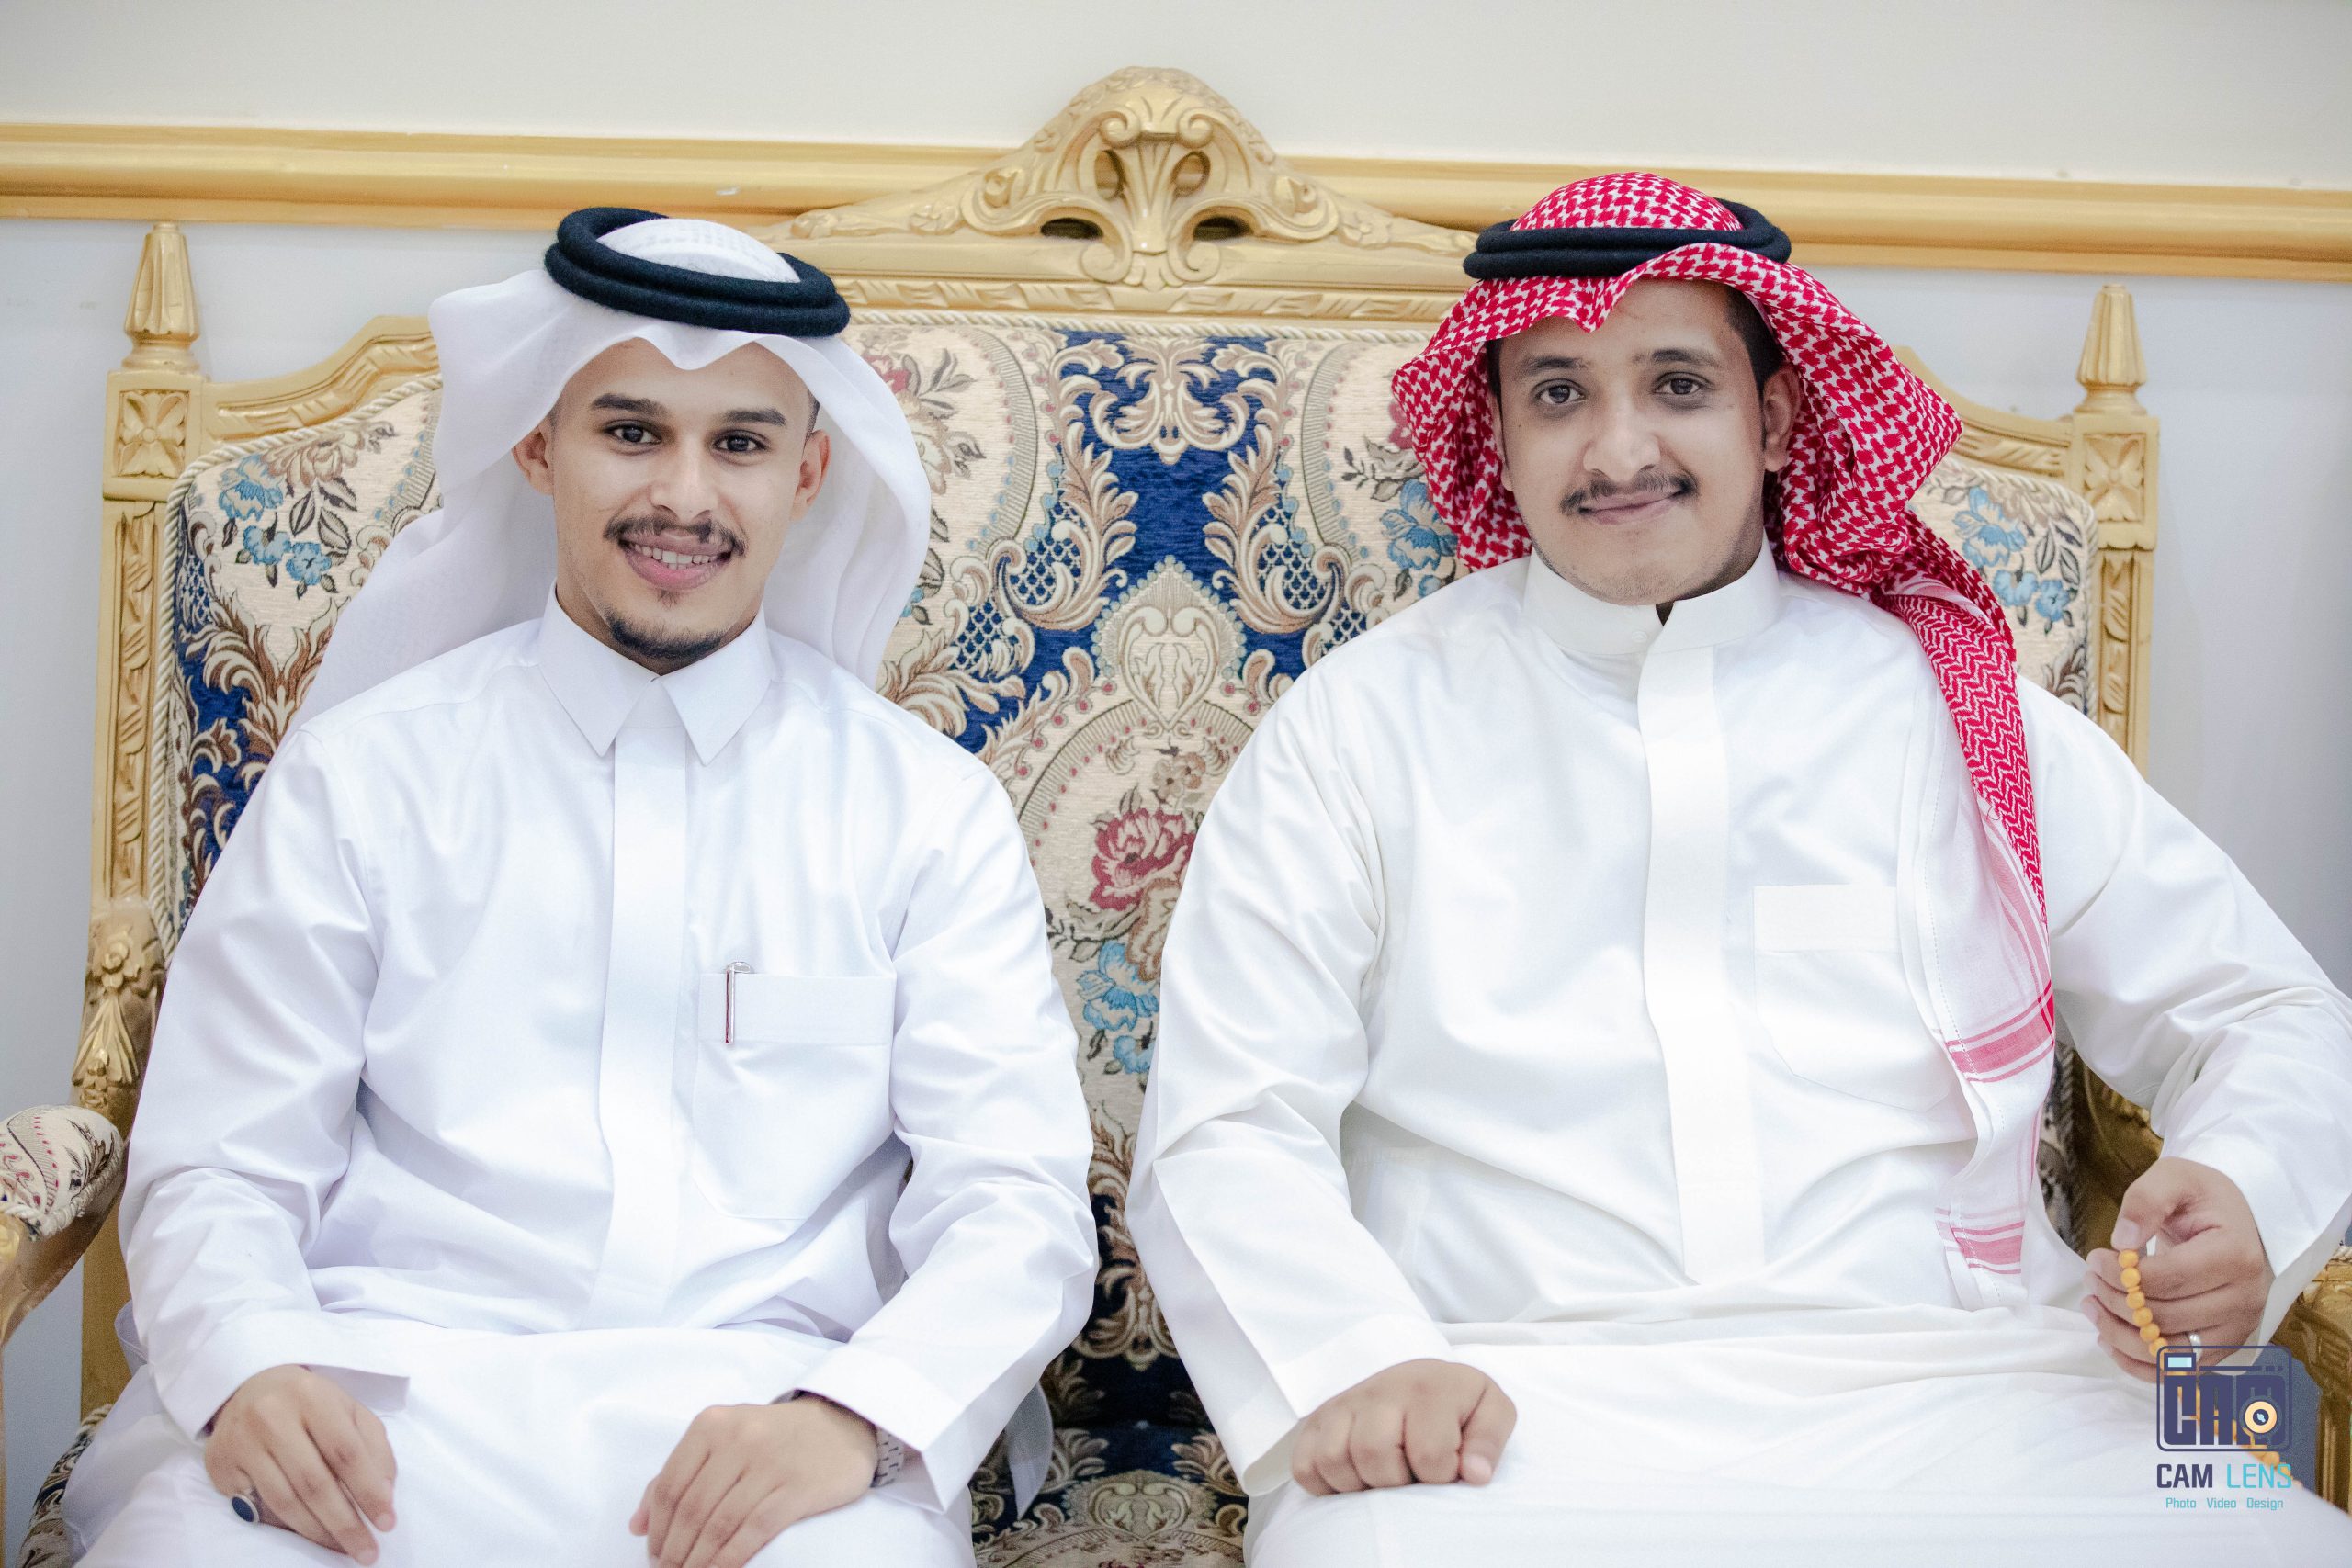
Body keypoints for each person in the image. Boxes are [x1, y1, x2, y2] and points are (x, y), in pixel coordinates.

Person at [1126, 174, 2352, 1564]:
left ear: (1772, 421)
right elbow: (1225, 1119)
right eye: (1558, 394)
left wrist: (2248, 1190)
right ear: (1499, 438)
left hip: (1990, 1386)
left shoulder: (1952, 713)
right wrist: (1357, 1360)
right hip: (1494, 1402)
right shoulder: (1362, 726)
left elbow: (2269, 1011)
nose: (1618, 448)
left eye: (1677, 384)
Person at [64, 209, 1096, 1568]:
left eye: (741, 443)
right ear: (539, 447)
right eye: (631, 431)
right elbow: (220, 1156)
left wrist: (856, 1417)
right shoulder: (364, 778)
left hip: (766, 1425)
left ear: (809, 472)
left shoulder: (924, 811)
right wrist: (253, 1365)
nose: (685, 495)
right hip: (385, 1403)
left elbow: (1014, 1198)